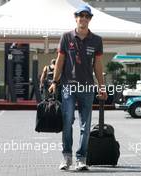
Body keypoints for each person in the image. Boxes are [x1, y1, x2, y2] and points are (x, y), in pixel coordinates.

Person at [49, 5, 108, 171]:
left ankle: (81, 159)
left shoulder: (97, 40)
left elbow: (98, 65)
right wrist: (55, 81)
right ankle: (67, 157)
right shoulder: (66, 37)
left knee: (85, 124)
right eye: (80, 16)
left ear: (90, 19)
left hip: (88, 88)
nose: (83, 18)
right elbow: (60, 60)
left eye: (86, 16)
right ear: (75, 18)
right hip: (68, 87)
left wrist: (101, 87)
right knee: (67, 122)